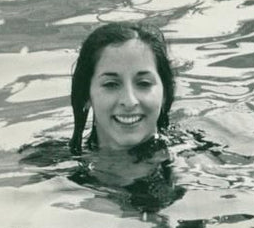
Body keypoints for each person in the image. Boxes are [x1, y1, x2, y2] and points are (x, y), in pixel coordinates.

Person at [70, 21, 176, 155]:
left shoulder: (198, 165)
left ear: (165, 94)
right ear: (86, 95)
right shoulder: (47, 168)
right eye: (111, 84)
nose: (129, 102)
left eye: (144, 83)